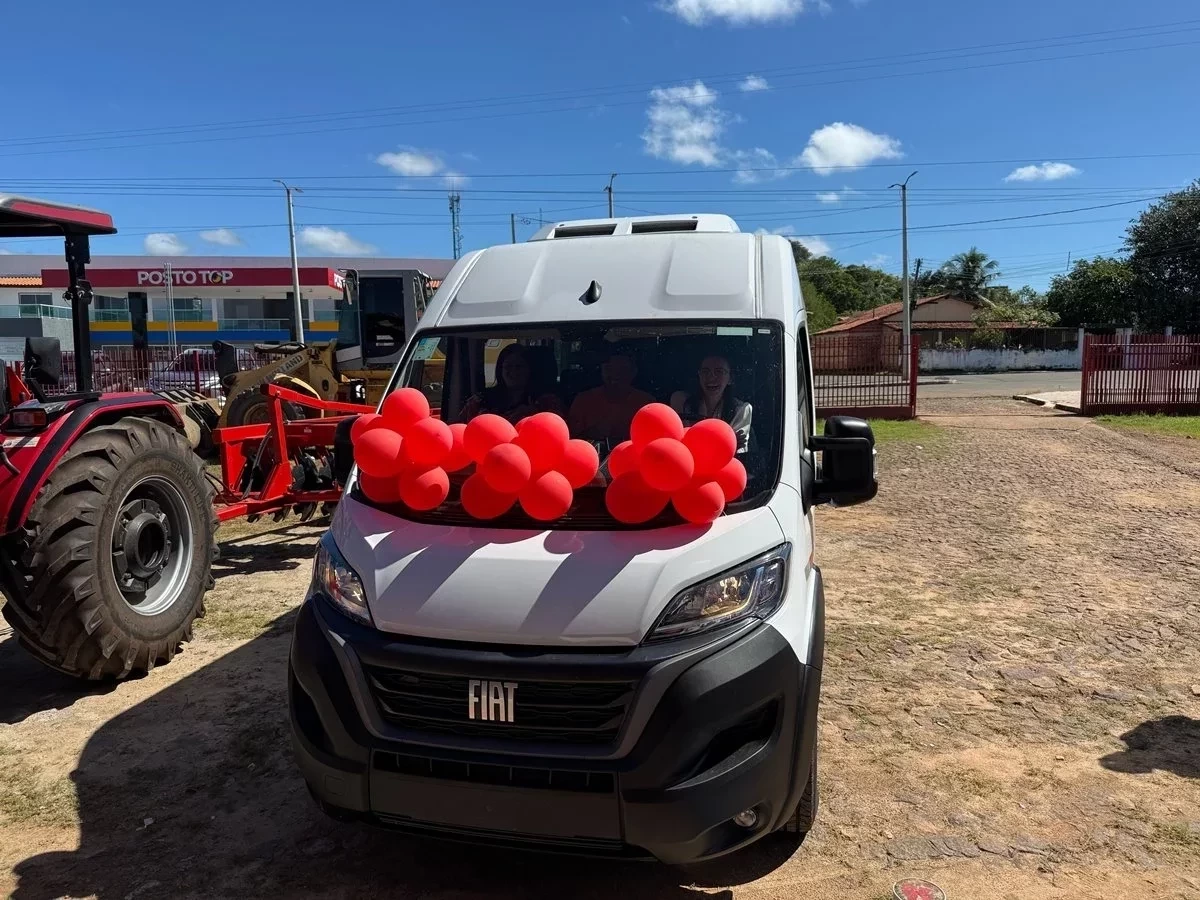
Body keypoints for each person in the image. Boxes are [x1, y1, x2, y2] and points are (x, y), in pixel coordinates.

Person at [567, 351, 655, 446]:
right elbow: (570, 441)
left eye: (621, 370)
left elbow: (654, 442)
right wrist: (591, 433)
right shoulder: (583, 401)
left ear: (633, 372)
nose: (615, 374)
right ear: (601, 371)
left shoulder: (647, 404)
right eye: (609, 369)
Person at [669, 353, 752, 452]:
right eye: (705, 371)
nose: (711, 377)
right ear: (699, 376)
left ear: (730, 379)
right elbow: (677, 444)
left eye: (719, 371)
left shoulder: (741, 409)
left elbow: (736, 451)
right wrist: (724, 442)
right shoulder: (680, 400)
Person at [461, 343, 562, 424]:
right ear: (500, 370)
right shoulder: (480, 401)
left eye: (519, 367)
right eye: (508, 366)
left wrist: (533, 415)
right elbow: (458, 428)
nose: (513, 372)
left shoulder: (546, 403)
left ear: (530, 369)